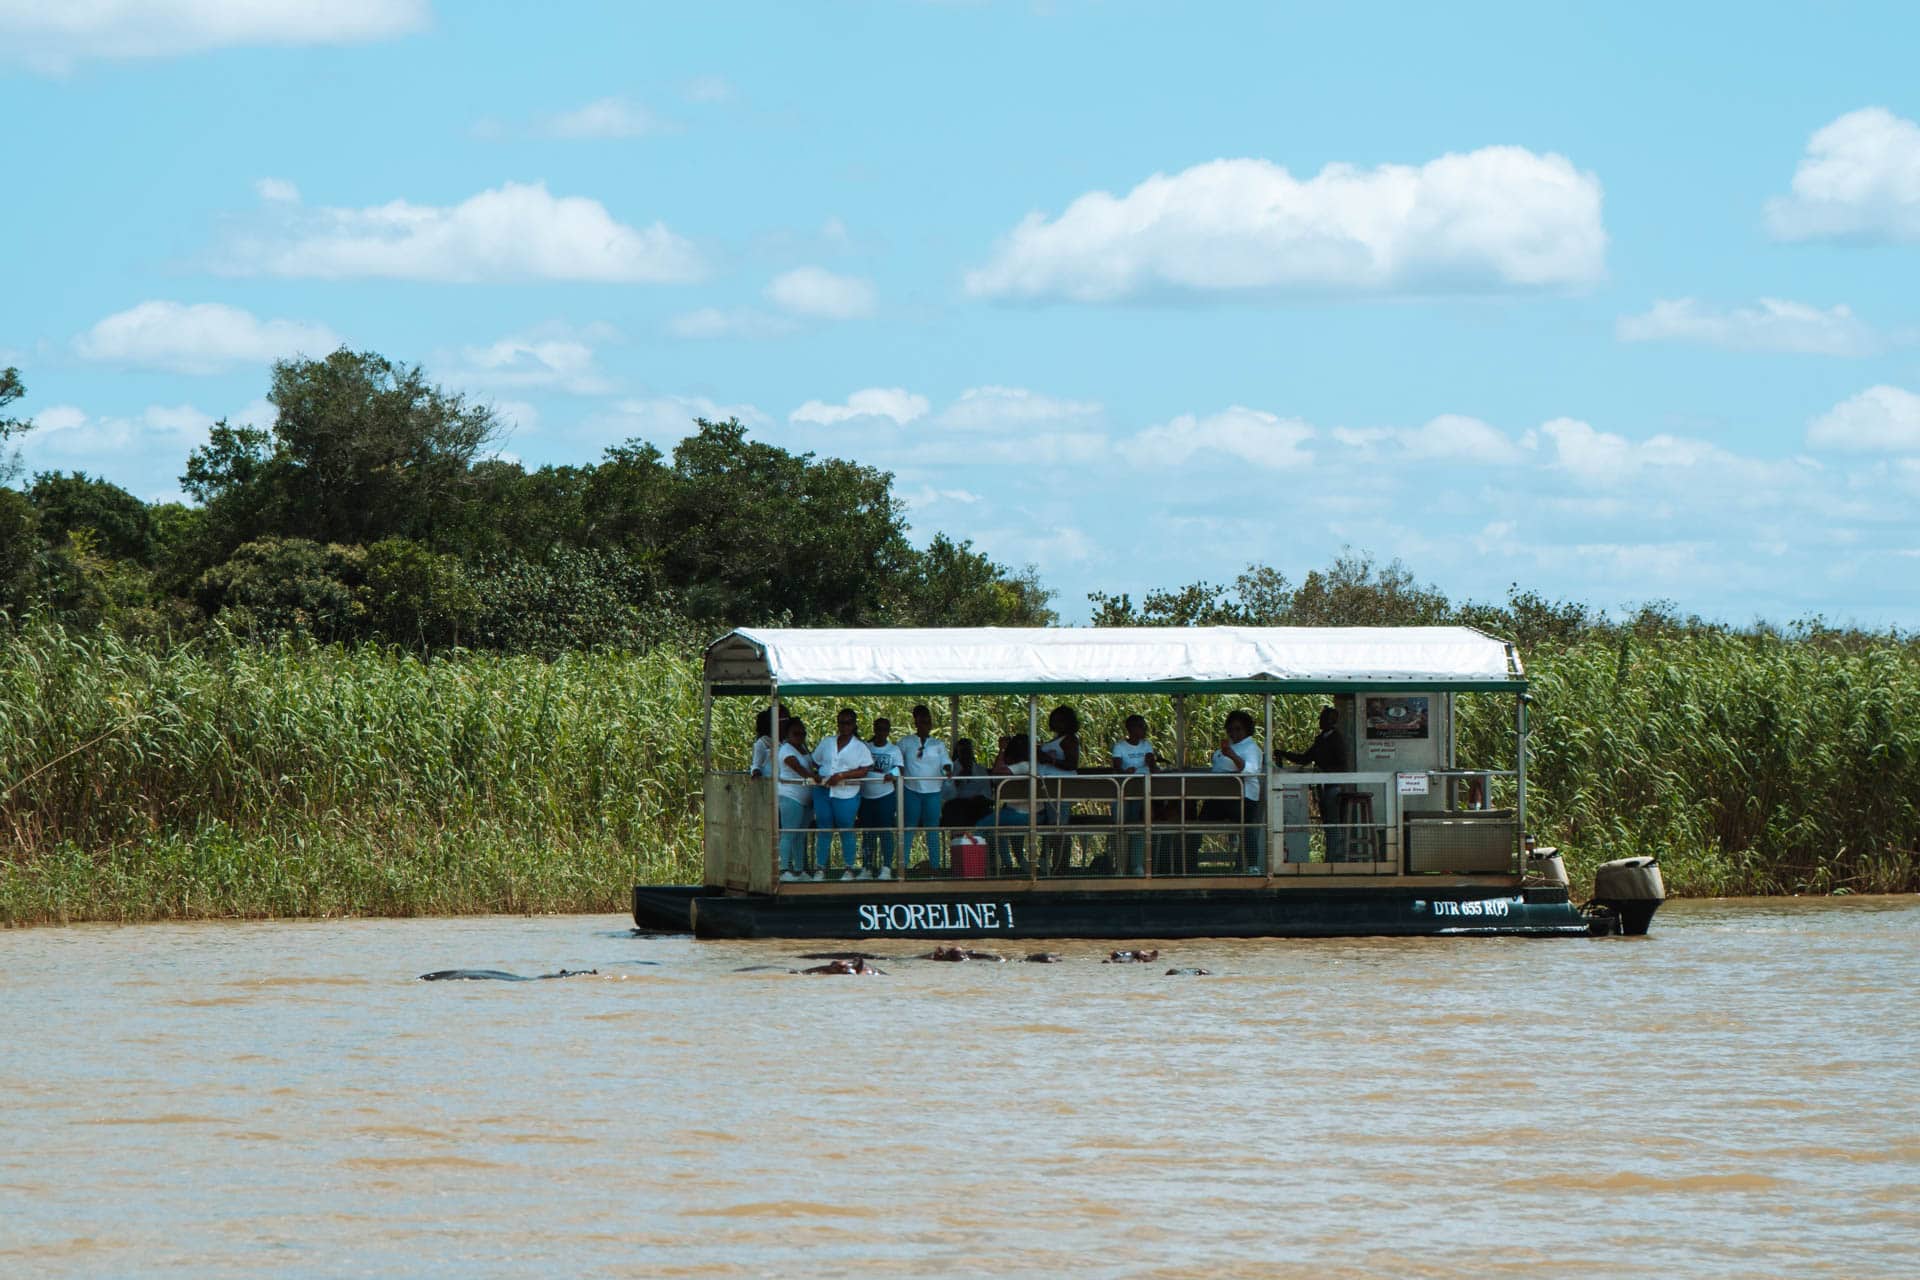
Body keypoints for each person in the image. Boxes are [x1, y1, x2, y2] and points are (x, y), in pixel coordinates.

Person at [1278, 706, 1349, 860]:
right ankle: (1331, 857)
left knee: (1333, 823)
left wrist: (1325, 772)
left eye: (1323, 718)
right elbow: (1305, 758)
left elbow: (1342, 765)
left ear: (1331, 720)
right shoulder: (1321, 739)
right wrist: (1284, 753)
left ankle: (1336, 859)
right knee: (1327, 822)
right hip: (1322, 787)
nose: (1320, 721)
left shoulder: (1336, 739)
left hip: (1332, 787)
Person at [810, 708, 873, 880]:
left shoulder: (860, 746)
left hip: (847, 793)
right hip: (824, 791)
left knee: (846, 829)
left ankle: (849, 868)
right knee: (824, 828)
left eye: (848, 723)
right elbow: (815, 761)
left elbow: (865, 769)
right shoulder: (827, 742)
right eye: (841, 722)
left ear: (854, 725)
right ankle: (820, 868)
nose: (844, 726)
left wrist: (842, 775)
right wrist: (820, 776)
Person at [1206, 709, 1265, 872]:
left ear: (1247, 729)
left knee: (1247, 829)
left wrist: (1231, 755)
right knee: (1194, 824)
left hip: (1243, 797)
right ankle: (1189, 863)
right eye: (1230, 729)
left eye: (1238, 729)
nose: (1234, 733)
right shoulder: (1223, 748)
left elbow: (1251, 771)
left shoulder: (1251, 748)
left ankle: (1252, 866)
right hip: (1219, 796)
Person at [898, 705, 952, 872]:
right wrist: (893, 775)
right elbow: (897, 762)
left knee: (932, 828)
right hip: (910, 789)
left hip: (933, 791)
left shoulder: (938, 744)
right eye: (920, 721)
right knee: (908, 827)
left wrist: (947, 770)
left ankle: (935, 866)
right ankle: (902, 866)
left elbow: (945, 762)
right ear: (915, 722)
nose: (924, 724)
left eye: (927, 721)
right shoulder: (906, 742)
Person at [977, 734, 1035, 873]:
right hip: (1034, 813)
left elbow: (997, 775)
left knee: (980, 828)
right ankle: (1011, 862)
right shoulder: (1037, 764)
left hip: (1021, 814)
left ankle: (985, 866)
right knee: (1003, 827)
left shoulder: (1023, 766)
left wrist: (1002, 750)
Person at [1111, 714, 1157, 876]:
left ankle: (1137, 865)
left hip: (1141, 790)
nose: (1144, 730)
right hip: (1123, 791)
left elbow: (1152, 765)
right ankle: (1120, 866)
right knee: (1121, 827)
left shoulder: (1147, 745)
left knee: (1138, 826)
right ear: (1130, 729)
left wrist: (1152, 761)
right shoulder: (1120, 746)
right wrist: (1125, 771)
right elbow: (1116, 767)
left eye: (1145, 726)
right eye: (1140, 726)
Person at [857, 716, 904, 879]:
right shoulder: (866, 747)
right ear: (874, 729)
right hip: (866, 796)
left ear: (888, 731)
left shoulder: (894, 750)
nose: (881, 732)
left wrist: (892, 774)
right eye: (879, 729)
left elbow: (900, 768)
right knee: (868, 832)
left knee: (885, 831)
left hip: (885, 795)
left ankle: (886, 867)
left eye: (885, 729)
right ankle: (867, 867)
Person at [775, 717, 816, 882]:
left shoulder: (803, 748)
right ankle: (784, 869)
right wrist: (820, 780)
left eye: (803, 733)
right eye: (796, 733)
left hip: (806, 799)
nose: (800, 736)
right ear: (787, 734)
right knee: (789, 833)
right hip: (791, 796)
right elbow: (800, 770)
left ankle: (799, 870)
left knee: (800, 835)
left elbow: (812, 765)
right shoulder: (786, 751)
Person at [942, 737, 991, 828]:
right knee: (954, 811)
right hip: (956, 805)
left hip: (977, 805)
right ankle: (958, 839)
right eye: (963, 752)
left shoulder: (980, 770)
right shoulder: (950, 770)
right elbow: (946, 796)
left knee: (987, 813)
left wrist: (979, 798)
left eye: (968, 751)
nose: (966, 755)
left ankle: (980, 840)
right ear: (958, 753)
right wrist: (956, 781)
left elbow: (987, 794)